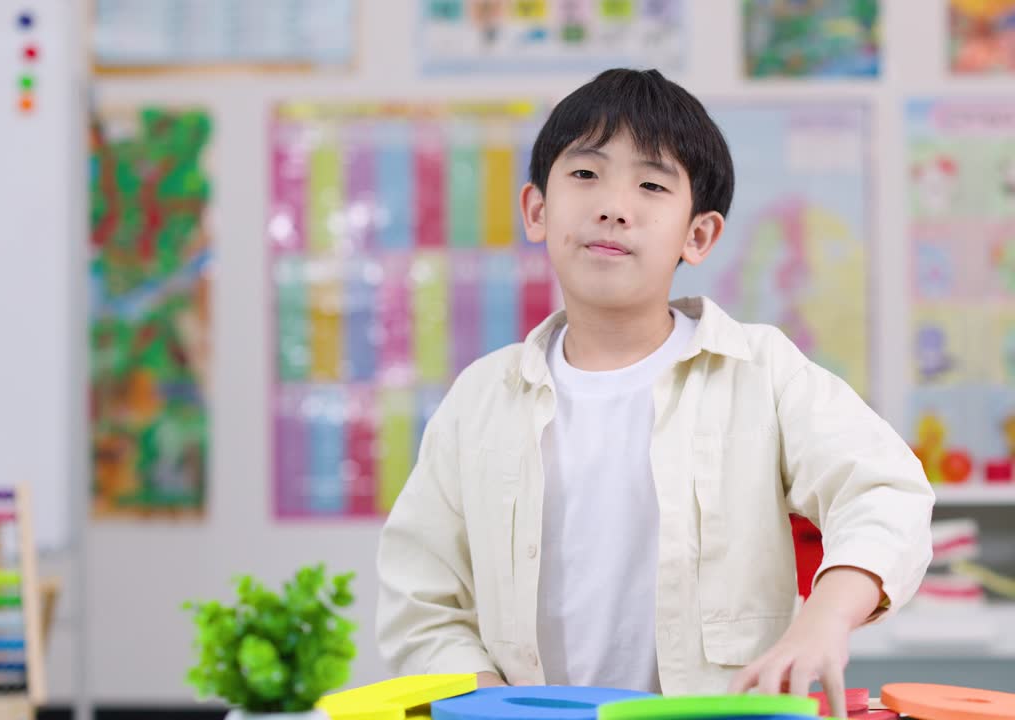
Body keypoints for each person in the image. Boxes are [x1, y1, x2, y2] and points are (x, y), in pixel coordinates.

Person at [375, 68, 934, 718]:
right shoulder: (478, 399)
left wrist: (825, 620)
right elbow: (421, 590)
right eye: (585, 175)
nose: (615, 205)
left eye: (651, 184)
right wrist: (488, 698)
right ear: (536, 209)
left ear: (698, 236)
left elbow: (885, 491)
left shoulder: (763, 372)